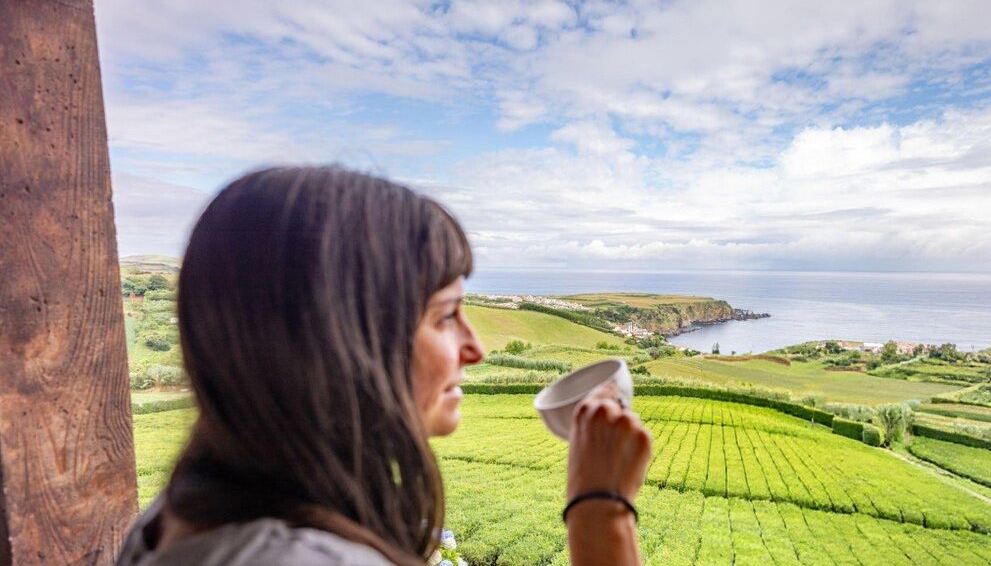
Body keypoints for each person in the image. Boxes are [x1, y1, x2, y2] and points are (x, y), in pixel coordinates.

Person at [116, 166, 653, 566]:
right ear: (343, 337)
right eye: (446, 317)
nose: (476, 349)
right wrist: (600, 509)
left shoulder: (181, 518)